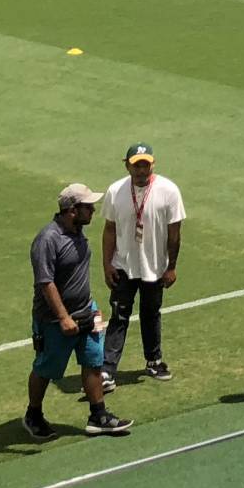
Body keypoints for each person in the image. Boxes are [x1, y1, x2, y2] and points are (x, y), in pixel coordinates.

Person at [24, 184, 130, 441]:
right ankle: (33, 415)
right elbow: (45, 283)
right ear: (72, 210)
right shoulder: (48, 239)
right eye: (87, 207)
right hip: (55, 319)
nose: (93, 210)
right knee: (46, 368)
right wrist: (63, 317)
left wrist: (91, 307)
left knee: (94, 362)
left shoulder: (78, 232)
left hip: (86, 312)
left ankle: (98, 415)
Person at [99, 143, 184, 383]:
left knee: (151, 313)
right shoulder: (115, 191)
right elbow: (109, 230)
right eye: (136, 165)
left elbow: (175, 233)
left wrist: (171, 267)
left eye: (145, 165)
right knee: (119, 315)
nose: (141, 170)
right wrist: (107, 264)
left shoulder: (169, 191)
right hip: (123, 265)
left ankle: (154, 361)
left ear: (152, 164)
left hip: (155, 267)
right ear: (127, 166)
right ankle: (107, 369)